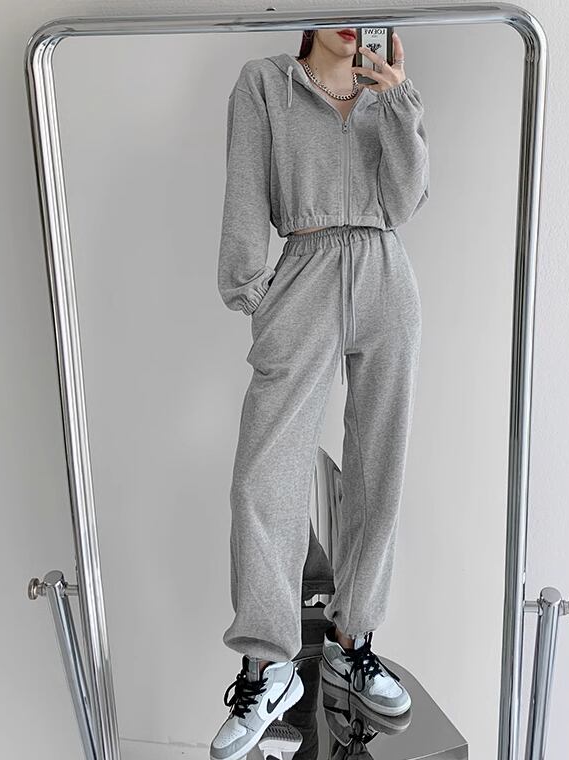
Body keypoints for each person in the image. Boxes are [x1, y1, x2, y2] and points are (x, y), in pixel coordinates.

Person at [211, 27, 429, 760]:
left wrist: (397, 105)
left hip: (384, 272)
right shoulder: (265, 84)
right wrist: (252, 290)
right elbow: (246, 190)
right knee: (262, 477)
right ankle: (266, 664)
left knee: (378, 470)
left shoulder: (389, 94)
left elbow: (405, 201)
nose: (350, 17)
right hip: (303, 268)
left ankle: (352, 640)